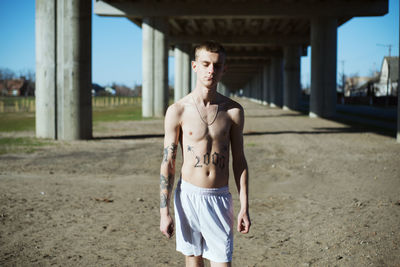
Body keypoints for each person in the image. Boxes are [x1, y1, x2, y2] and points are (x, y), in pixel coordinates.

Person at [159, 40, 250, 267]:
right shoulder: (177, 110)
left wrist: (245, 207)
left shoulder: (233, 111)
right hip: (188, 196)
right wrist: (164, 211)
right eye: (206, 63)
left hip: (219, 197)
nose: (211, 70)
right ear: (194, 66)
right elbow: (168, 162)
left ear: (224, 69)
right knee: (193, 259)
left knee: (222, 261)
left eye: (217, 65)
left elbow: (239, 160)